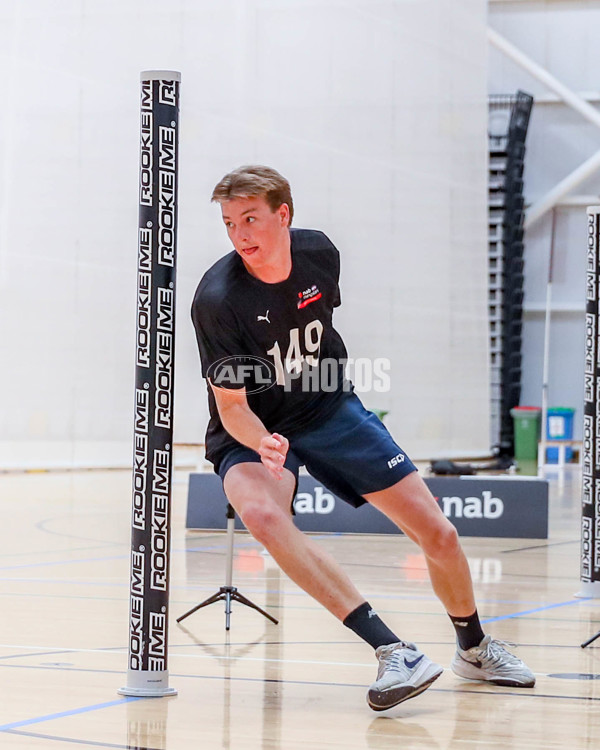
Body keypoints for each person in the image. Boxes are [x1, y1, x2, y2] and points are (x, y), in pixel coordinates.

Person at [191, 165, 535, 711]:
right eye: (230, 224)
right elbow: (231, 405)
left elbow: (316, 329)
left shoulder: (320, 256)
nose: (240, 235)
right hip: (254, 429)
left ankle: (474, 649)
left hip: (328, 406)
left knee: (438, 533)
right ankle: (392, 650)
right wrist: (263, 441)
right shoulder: (217, 299)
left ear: (284, 215)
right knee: (263, 517)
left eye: (251, 219)